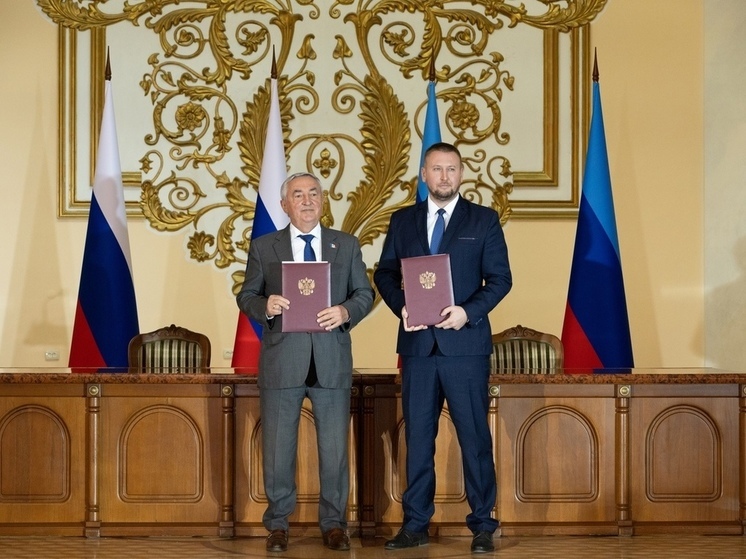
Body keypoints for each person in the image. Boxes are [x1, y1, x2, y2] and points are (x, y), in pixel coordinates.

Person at [374, 142, 512, 554]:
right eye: (437, 169)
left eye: (452, 169)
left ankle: (483, 524)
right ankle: (415, 524)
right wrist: (402, 308)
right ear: (423, 174)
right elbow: (384, 274)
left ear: (462, 174)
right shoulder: (402, 221)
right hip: (417, 346)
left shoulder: (483, 220)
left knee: (474, 438)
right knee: (418, 439)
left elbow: (501, 280)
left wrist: (466, 313)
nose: (445, 177)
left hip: (464, 348)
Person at [237, 172, 374, 552]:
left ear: (323, 200)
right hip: (283, 360)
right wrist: (264, 305)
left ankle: (334, 525)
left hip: (331, 361)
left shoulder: (345, 245)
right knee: (278, 450)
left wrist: (346, 312)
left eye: (314, 193)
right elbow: (246, 295)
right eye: (298, 195)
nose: (307, 200)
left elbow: (365, 292)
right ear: (285, 205)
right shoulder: (266, 247)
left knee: (334, 451)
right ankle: (277, 525)